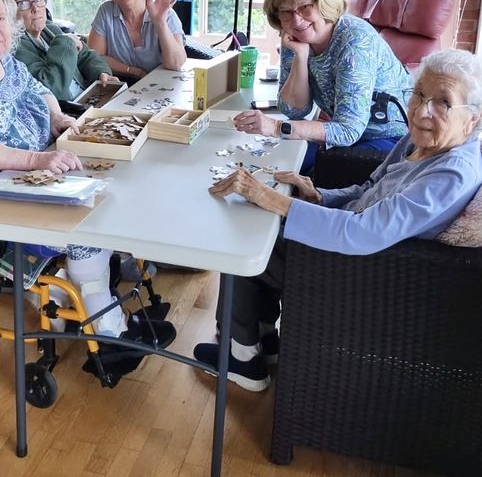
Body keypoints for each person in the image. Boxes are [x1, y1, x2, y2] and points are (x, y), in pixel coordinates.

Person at [194, 48, 482, 391]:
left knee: (248, 237)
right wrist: (319, 195)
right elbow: (369, 187)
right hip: (352, 244)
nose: (422, 110)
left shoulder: (451, 173)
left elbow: (363, 233)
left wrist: (272, 199)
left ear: (472, 120)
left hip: (360, 273)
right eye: (419, 94)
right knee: (263, 221)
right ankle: (263, 338)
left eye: (443, 102)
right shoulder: (419, 138)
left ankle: (242, 361)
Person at [0, 0, 174, 358]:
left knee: (113, 189)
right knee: (90, 219)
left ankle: (72, 302)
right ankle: (106, 328)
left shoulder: (1, 58)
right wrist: (38, 159)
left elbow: (37, 91)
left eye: (1, 19)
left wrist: (57, 118)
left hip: (31, 172)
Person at [232, 0, 413, 172]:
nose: (297, 20)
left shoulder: (354, 42)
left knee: (295, 172)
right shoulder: (296, 38)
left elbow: (348, 130)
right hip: (346, 137)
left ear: (322, 2)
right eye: (286, 12)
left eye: (305, 7)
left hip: (387, 142)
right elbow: (294, 111)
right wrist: (300, 56)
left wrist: (275, 127)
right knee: (277, 162)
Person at [0, 0, 119, 102]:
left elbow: (85, 55)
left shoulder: (49, 29)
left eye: (38, 0)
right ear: (8, 10)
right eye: (24, 3)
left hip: (91, 99)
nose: (35, 8)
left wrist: (101, 73)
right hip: (69, 111)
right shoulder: (15, 48)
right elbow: (53, 89)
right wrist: (68, 43)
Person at [88, 0, 187, 79]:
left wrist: (159, 22)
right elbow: (94, 58)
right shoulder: (105, 12)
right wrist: (133, 71)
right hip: (121, 86)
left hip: (160, 89)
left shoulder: (166, 15)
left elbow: (175, 64)